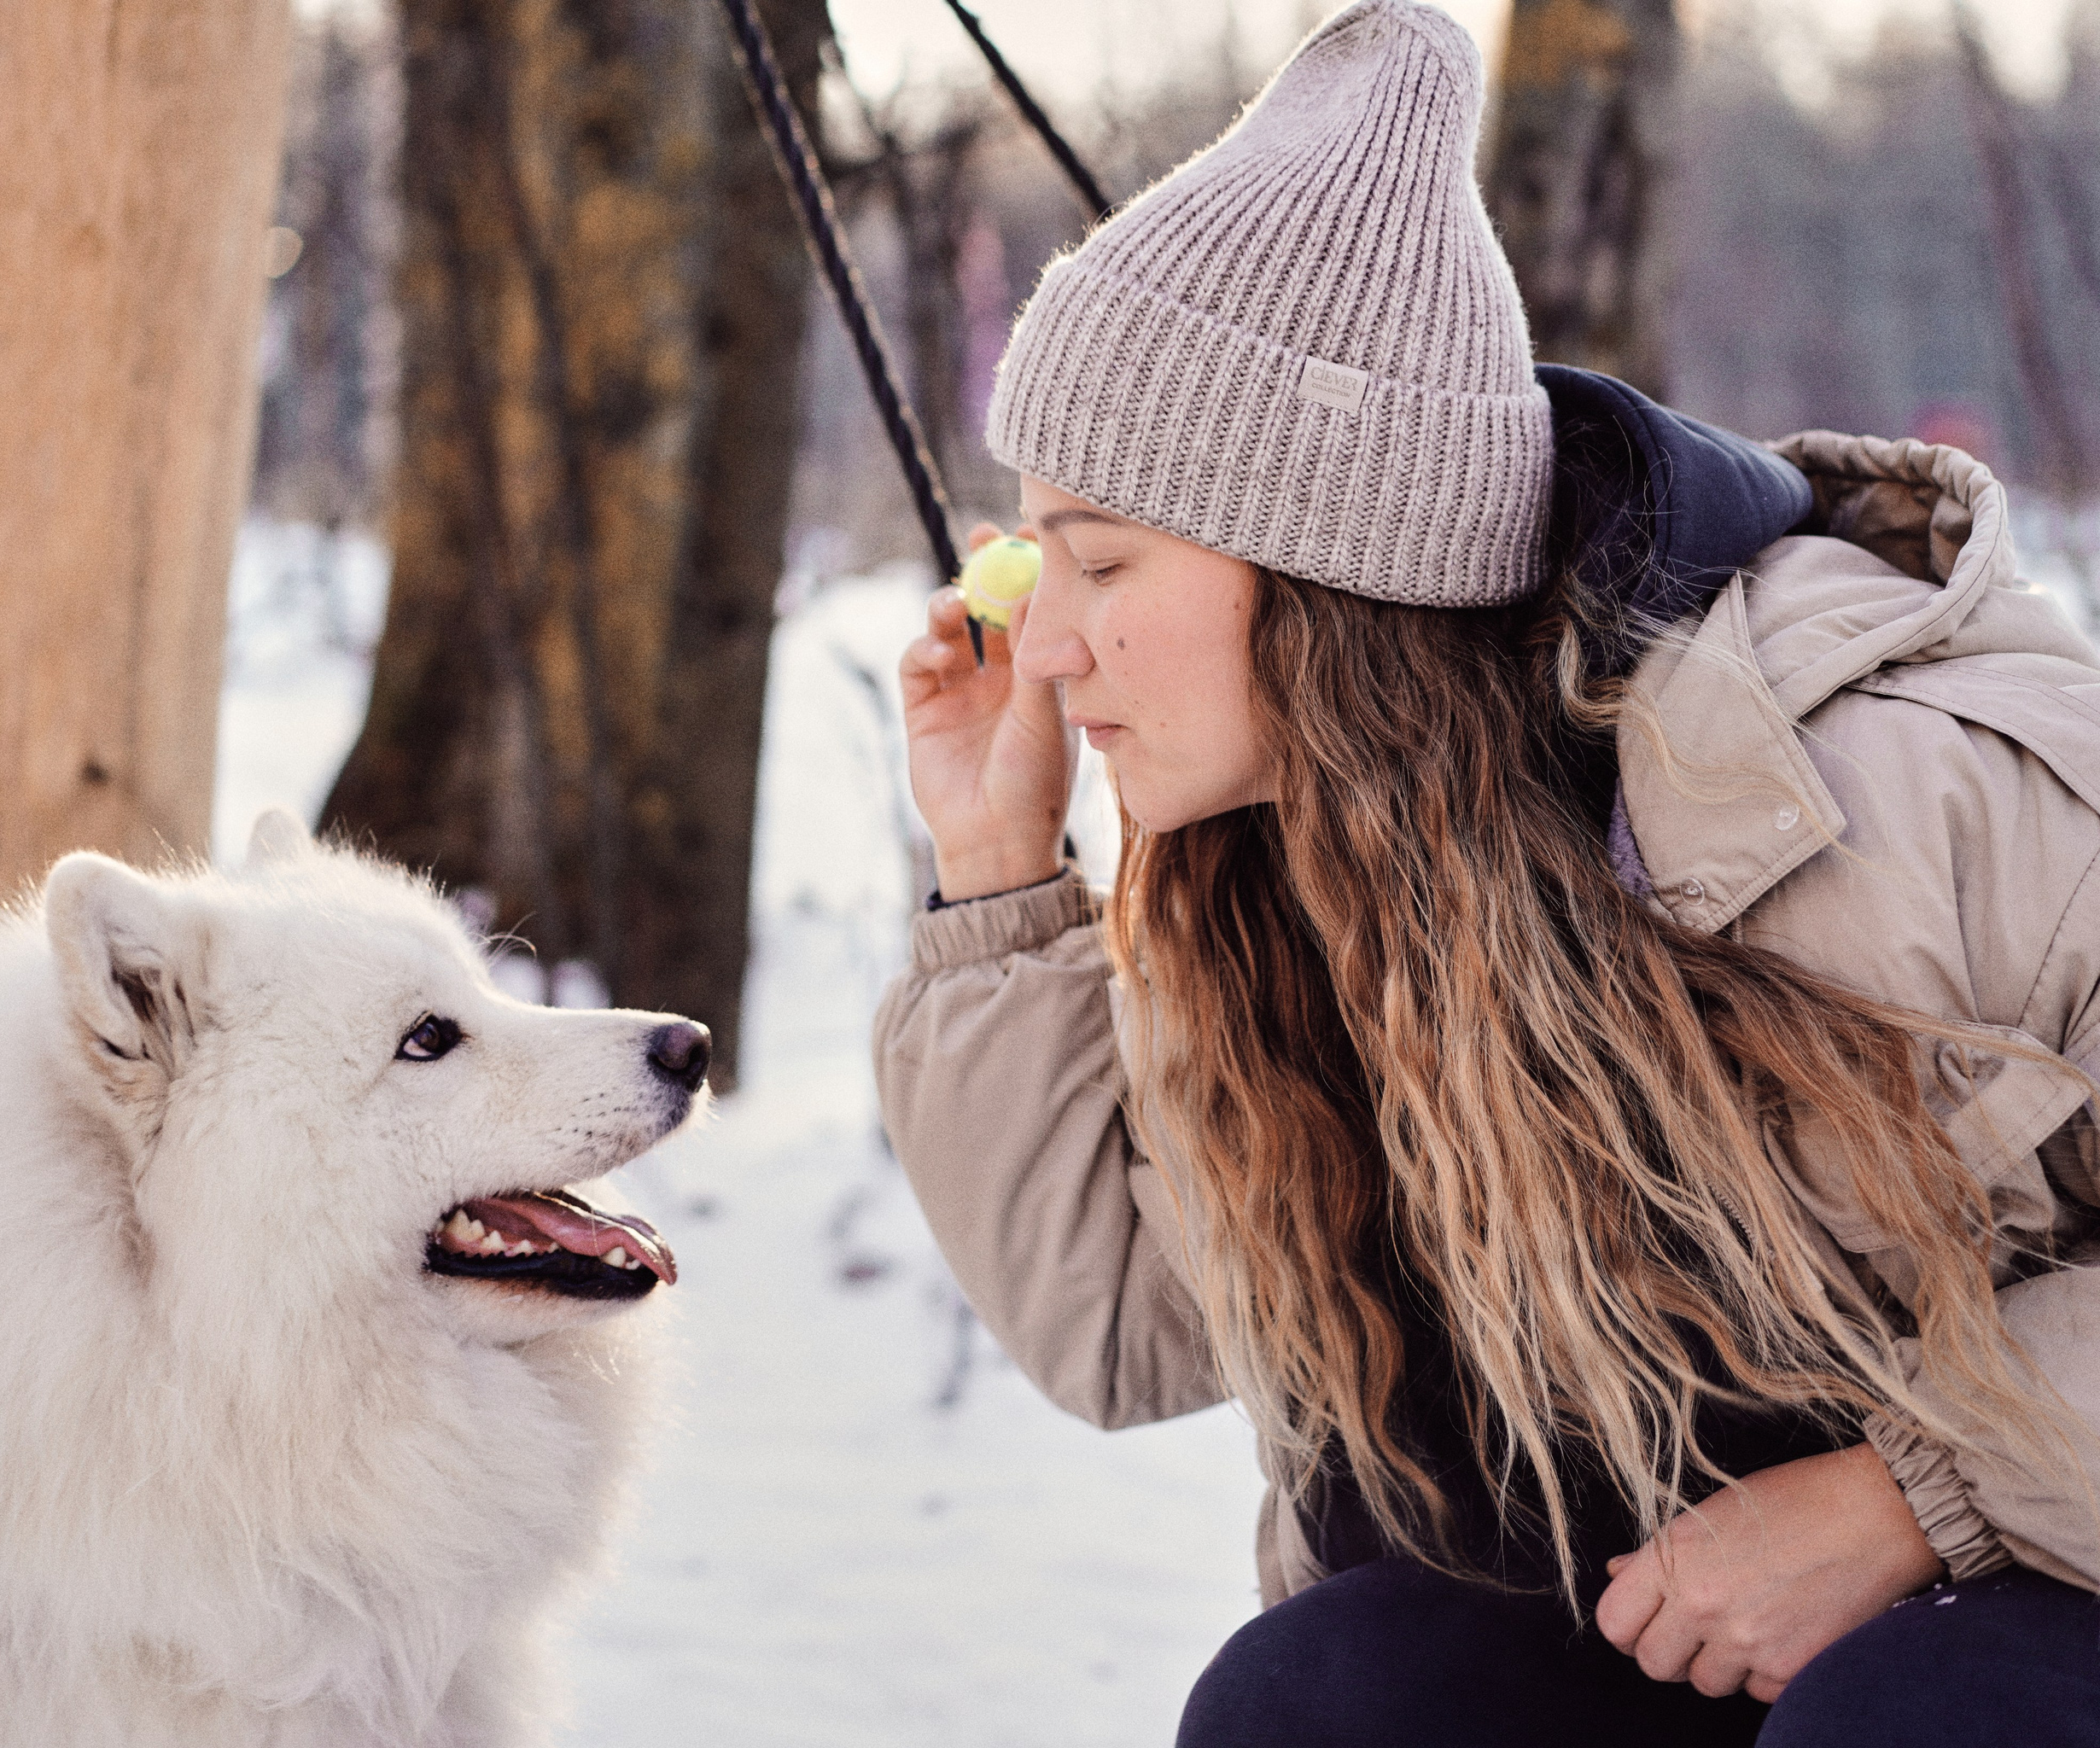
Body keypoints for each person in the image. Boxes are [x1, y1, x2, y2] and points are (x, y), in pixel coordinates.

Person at [873, 3, 2100, 1743]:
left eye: (1100, 560)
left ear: (1323, 574)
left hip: (2028, 1598)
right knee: (1328, 1696)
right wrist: (998, 880)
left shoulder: (1905, 778)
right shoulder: (1282, 868)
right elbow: (1125, 1325)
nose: (1045, 640)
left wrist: (1912, 1503)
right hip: (1647, 1620)